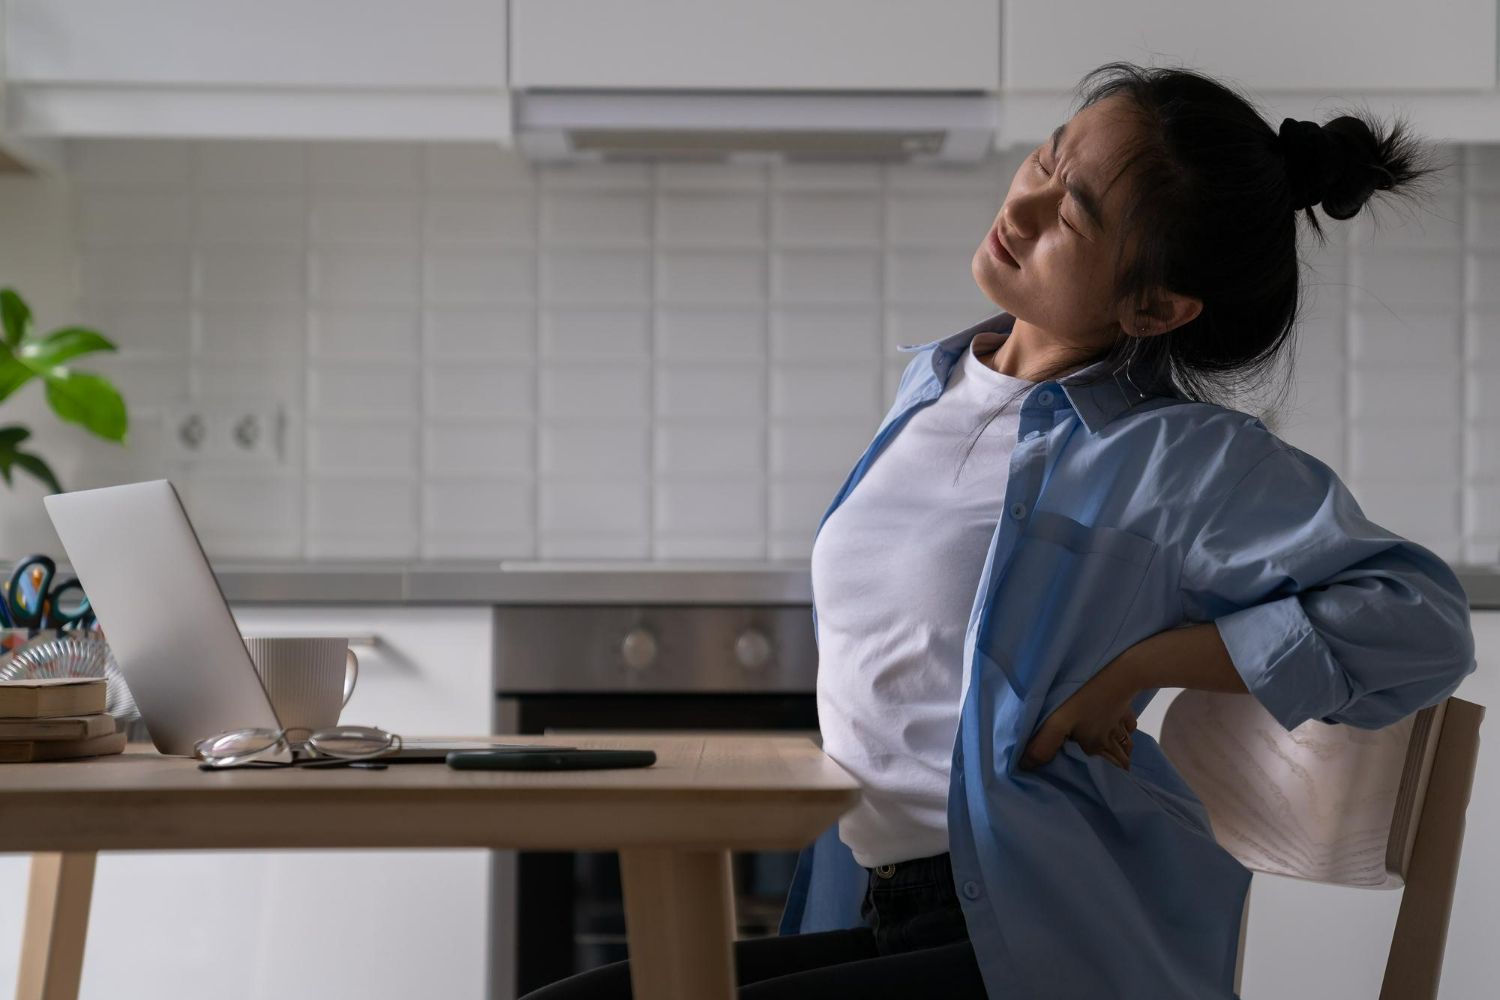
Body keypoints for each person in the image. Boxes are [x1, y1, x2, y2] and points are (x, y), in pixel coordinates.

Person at [520, 60, 1477, 1000]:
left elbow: (1421, 623)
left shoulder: (1181, 461)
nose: (1021, 208)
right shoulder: (934, 385)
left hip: (1038, 937)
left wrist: (1145, 664)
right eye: (1046, 163)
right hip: (868, 905)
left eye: (1070, 216)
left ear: (1156, 306)